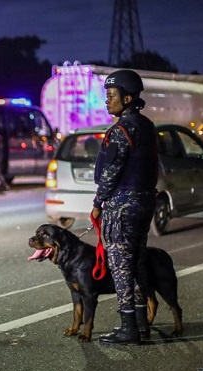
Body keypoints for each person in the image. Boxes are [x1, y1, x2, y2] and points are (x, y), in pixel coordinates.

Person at [90, 69, 159, 345]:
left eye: (111, 96)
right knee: (138, 262)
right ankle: (142, 325)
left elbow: (110, 173)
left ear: (127, 98)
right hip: (145, 202)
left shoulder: (121, 130)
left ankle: (128, 327)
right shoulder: (147, 126)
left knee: (120, 267)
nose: (107, 101)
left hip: (122, 206)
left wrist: (97, 204)